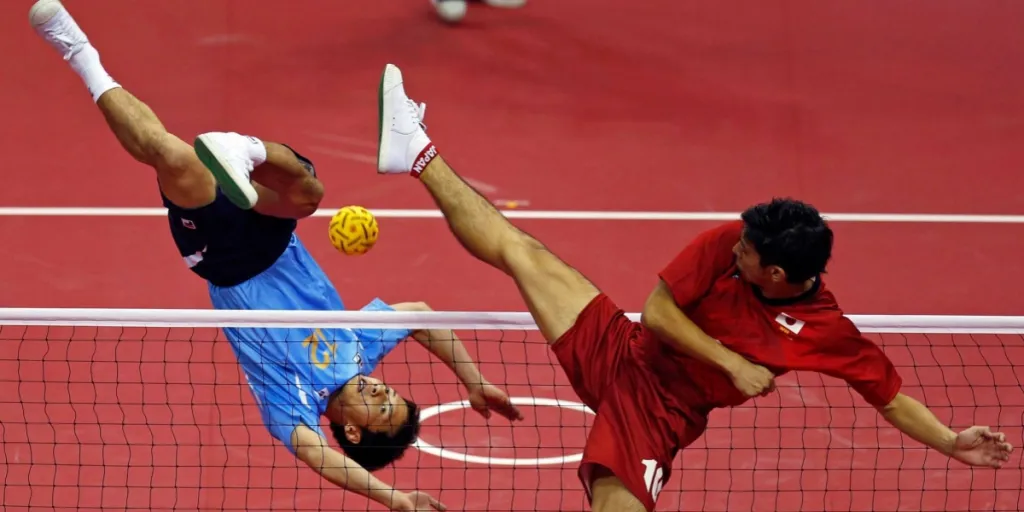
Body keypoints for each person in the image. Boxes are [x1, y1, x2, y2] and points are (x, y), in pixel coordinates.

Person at [372, 63, 1015, 511]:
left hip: (658, 413)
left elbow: (891, 396)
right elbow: (655, 312)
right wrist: (732, 361)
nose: (734, 248)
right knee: (522, 250)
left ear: (780, 277)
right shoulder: (729, 240)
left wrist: (952, 443)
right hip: (623, 348)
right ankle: (416, 150)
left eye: (748, 254)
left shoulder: (824, 331)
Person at [29, 2, 522, 510]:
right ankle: (242, 150)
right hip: (274, 236)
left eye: (382, 409)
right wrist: (474, 381)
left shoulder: (294, 404)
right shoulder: (360, 347)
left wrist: (393, 499)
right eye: (391, 394)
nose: (382, 393)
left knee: (171, 155)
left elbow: (316, 455)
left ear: (351, 432)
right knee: (310, 193)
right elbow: (423, 317)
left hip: (224, 260)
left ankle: (79, 53)